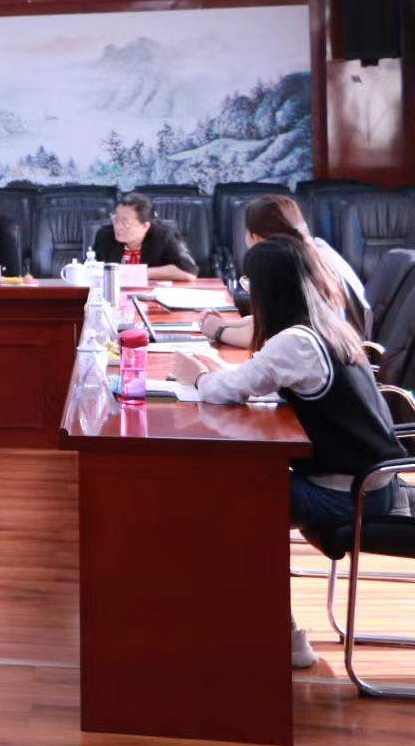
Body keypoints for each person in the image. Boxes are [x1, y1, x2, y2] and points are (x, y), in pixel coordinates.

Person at [170, 237, 406, 670]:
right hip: (374, 484)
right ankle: (249, 620)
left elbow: (228, 389)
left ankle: (280, 634)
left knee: (238, 495)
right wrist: (222, 375)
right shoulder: (326, 326)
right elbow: (260, 381)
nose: (248, 293)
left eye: (249, 283)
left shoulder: (295, 342)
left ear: (268, 288)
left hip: (349, 497)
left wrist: (198, 376)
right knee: (241, 483)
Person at [200, 194, 369, 347]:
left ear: (256, 238)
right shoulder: (315, 250)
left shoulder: (289, 266)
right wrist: (225, 324)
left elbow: (265, 336)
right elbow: (275, 321)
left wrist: (218, 331)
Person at [92, 191, 199, 283]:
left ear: (145, 226)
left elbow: (189, 272)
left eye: (125, 222)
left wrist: (136, 272)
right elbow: (90, 269)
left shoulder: (164, 236)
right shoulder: (105, 235)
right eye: (115, 219)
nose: (117, 226)